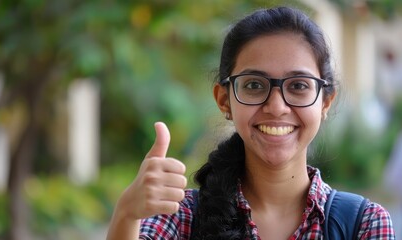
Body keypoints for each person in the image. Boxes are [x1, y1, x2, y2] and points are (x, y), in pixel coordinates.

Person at [107, 6, 395, 239]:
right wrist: (126, 214)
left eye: (298, 86)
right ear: (224, 100)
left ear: (325, 102)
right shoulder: (179, 218)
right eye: (255, 85)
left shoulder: (364, 225)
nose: (277, 107)